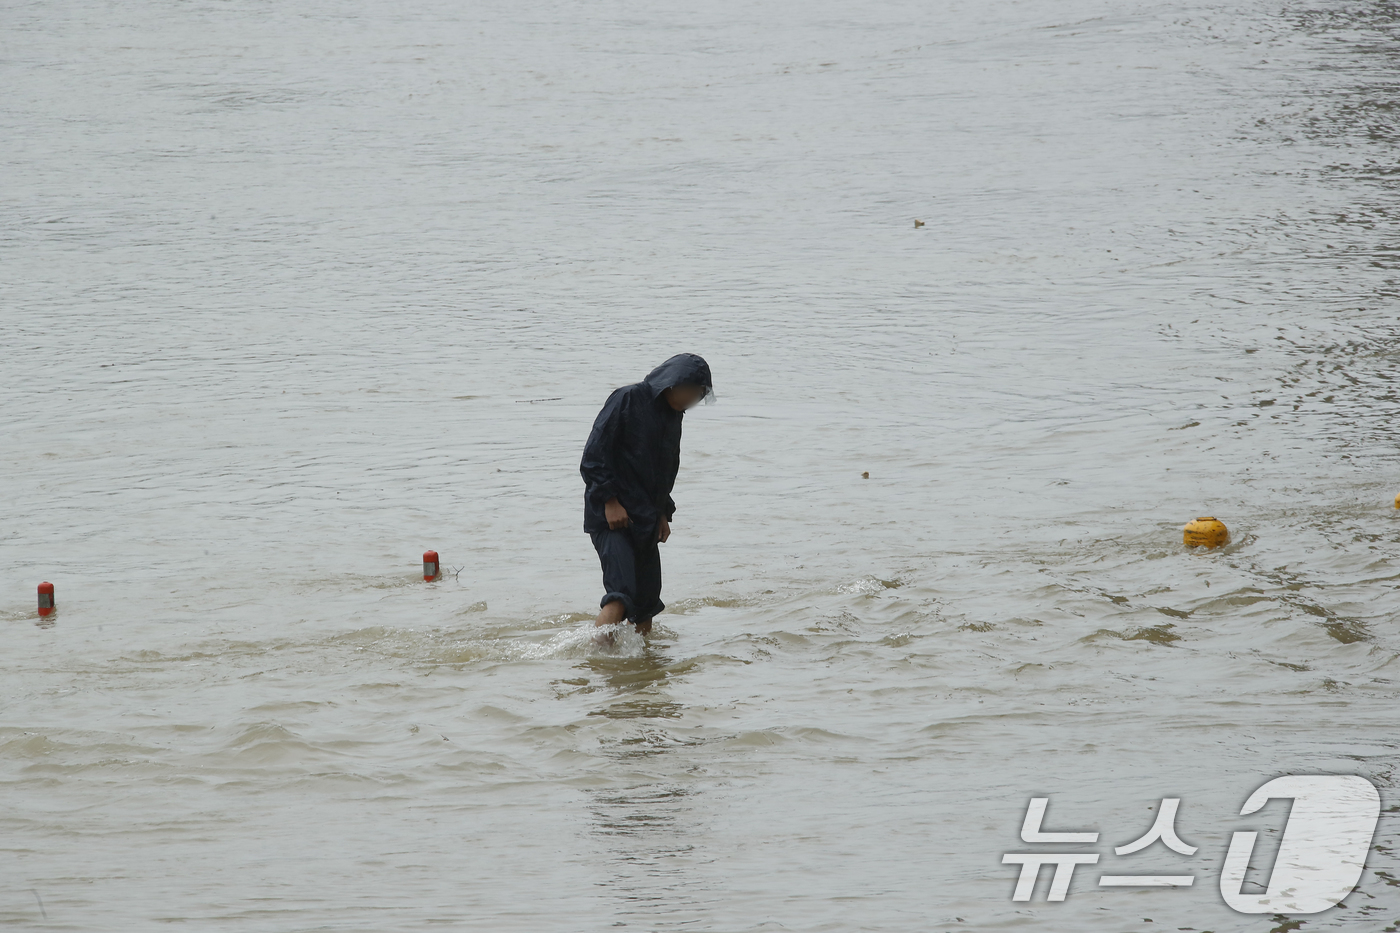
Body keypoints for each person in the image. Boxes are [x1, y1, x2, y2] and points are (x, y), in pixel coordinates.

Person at [580, 353, 715, 641]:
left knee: (646, 603)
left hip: (646, 519)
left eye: (701, 396)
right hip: (612, 517)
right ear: (675, 384)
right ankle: (594, 660)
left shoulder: (673, 417)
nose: (695, 400)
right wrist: (610, 502)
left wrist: (664, 513)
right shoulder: (628, 398)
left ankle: (644, 669)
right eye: (695, 392)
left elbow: (665, 470)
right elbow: (593, 457)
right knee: (620, 595)